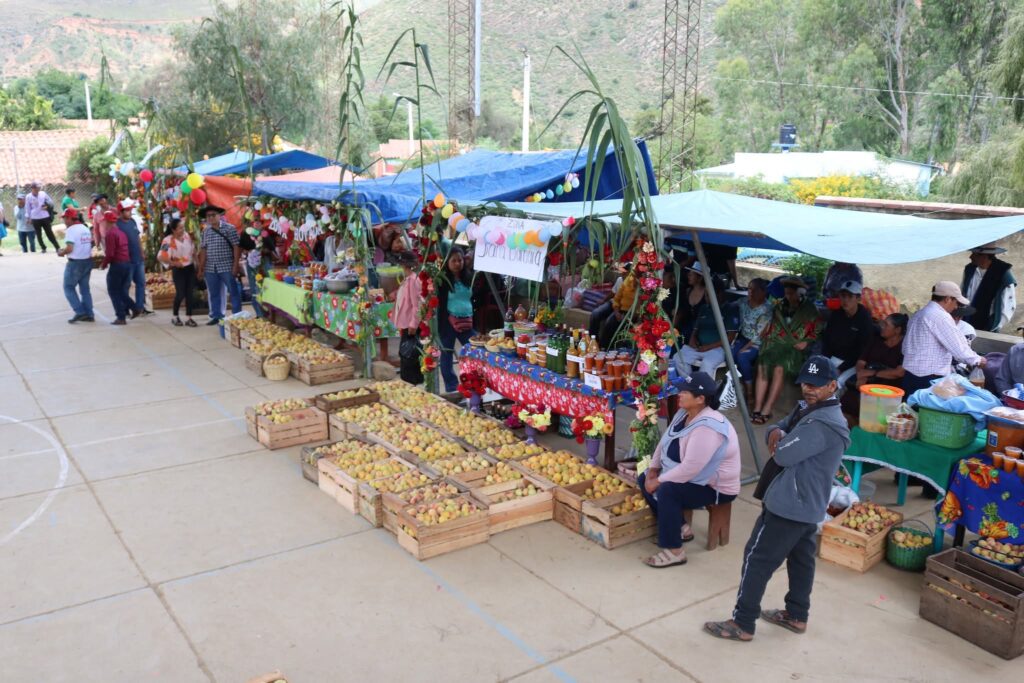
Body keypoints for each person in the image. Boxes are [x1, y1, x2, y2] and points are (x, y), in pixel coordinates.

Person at [705, 356, 850, 642]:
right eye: (806, 383)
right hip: (807, 504)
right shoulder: (808, 408)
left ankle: (743, 622)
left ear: (833, 385)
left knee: (757, 558)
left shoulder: (823, 423)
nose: (809, 389)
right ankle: (797, 615)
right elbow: (776, 427)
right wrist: (778, 433)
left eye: (817, 385)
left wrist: (780, 438)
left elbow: (783, 453)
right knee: (801, 559)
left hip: (791, 505)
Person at [638, 371, 741, 568]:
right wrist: (653, 470)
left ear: (701, 399)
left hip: (715, 488)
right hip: (696, 479)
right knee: (644, 478)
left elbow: (690, 469)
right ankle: (681, 527)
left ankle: (675, 551)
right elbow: (665, 441)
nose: (680, 394)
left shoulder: (708, 428)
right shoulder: (684, 412)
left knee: (667, 490)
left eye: (685, 392)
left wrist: (659, 480)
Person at [752, 276, 822, 424]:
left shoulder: (809, 310)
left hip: (794, 349)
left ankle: (767, 409)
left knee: (780, 366)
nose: (787, 296)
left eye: (791, 293)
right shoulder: (780, 307)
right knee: (763, 363)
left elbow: (815, 331)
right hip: (777, 345)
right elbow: (774, 329)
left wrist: (806, 342)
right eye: (786, 293)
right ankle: (757, 408)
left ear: (800, 293)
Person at [902, 281, 985, 394]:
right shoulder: (940, 316)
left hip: (910, 374)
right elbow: (959, 350)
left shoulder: (919, 314)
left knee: (910, 409)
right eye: (956, 302)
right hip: (928, 377)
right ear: (947, 299)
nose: (956, 306)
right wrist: (978, 360)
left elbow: (905, 347)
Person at [840, 313, 907, 420]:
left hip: (888, 388)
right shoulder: (876, 339)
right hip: (866, 382)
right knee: (846, 403)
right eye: (882, 323)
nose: (882, 327)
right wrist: (861, 375)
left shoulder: (905, 346)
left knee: (873, 414)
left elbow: (899, 372)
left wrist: (872, 373)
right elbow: (861, 362)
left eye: (886, 325)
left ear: (897, 330)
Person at [675, 278, 739, 377]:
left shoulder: (730, 309)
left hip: (718, 349)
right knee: (678, 358)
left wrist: (708, 347)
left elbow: (729, 339)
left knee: (707, 364)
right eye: (705, 294)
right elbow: (695, 330)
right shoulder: (704, 308)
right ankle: (690, 383)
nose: (706, 297)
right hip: (700, 347)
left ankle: (702, 389)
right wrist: (692, 340)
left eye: (709, 295)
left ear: (720, 294)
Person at [196, 205, 243, 326]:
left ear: (220, 216)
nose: (210, 218)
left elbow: (236, 247)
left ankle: (237, 316)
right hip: (210, 267)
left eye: (213, 215)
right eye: (208, 216)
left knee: (233, 291)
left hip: (227, 265)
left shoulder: (229, 228)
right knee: (214, 292)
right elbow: (203, 250)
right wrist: (201, 267)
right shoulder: (206, 231)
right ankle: (217, 315)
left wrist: (236, 265)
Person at [437, 246, 475, 392]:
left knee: (474, 351)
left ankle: (473, 383)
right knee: (446, 354)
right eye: (454, 261)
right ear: (447, 262)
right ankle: (452, 388)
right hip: (448, 323)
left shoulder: (468, 277)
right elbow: (439, 303)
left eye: (460, 260)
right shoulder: (442, 280)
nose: (458, 263)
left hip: (467, 322)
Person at [732, 278, 772, 401]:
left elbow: (759, 335)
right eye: (749, 288)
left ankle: (749, 392)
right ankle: (735, 386)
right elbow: (729, 306)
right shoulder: (744, 302)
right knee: (730, 354)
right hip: (742, 338)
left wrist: (743, 349)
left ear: (762, 292)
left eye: (754, 290)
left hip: (757, 342)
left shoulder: (766, 309)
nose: (750, 292)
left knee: (742, 356)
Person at [820, 280, 873, 372]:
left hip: (852, 362)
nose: (845, 300)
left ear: (858, 298)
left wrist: (842, 368)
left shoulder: (864, 319)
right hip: (833, 358)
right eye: (843, 296)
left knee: (837, 381)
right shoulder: (836, 314)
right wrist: (825, 359)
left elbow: (862, 350)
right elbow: (826, 339)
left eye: (850, 296)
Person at [962, 243, 1016, 332]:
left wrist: (995, 326)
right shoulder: (969, 270)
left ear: (984, 256)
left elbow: (1008, 306)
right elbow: (963, 294)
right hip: (967, 322)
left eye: (974, 254)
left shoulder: (1003, 273)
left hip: (988, 326)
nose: (970, 257)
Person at [157, 218, 197, 327]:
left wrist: (198, 265)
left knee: (190, 293)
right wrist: (173, 263)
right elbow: (161, 256)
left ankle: (189, 317)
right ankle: (175, 316)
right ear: (173, 230)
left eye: (183, 227)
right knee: (180, 293)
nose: (183, 229)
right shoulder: (168, 240)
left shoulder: (187, 236)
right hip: (178, 270)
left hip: (190, 268)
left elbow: (193, 252)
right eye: (180, 228)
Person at [57, 208, 94, 323]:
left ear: (69, 218)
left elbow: (70, 248)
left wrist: (61, 252)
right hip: (87, 261)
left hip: (75, 263)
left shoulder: (71, 230)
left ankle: (80, 312)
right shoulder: (85, 228)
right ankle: (89, 313)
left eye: (64, 218)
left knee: (68, 287)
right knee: (85, 289)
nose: (64, 221)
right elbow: (91, 243)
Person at [116, 199, 152, 318]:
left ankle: (140, 307)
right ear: (121, 212)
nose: (130, 212)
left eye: (130, 210)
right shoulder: (117, 225)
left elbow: (137, 238)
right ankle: (126, 308)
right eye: (127, 210)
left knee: (141, 283)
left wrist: (142, 252)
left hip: (137, 258)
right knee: (125, 285)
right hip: (126, 261)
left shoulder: (132, 222)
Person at [99, 209, 132, 325]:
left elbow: (110, 253)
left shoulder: (110, 234)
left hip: (117, 264)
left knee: (113, 291)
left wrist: (103, 264)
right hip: (126, 263)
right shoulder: (121, 232)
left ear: (107, 222)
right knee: (121, 291)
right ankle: (136, 307)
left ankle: (121, 316)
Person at [598, 267, 637, 350]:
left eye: (625, 273)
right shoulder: (623, 282)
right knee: (609, 322)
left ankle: (619, 350)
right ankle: (604, 348)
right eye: (622, 272)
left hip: (632, 313)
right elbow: (616, 298)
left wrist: (631, 317)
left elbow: (639, 306)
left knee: (625, 328)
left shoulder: (639, 286)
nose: (622, 274)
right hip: (620, 310)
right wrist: (616, 312)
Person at [675, 262, 708, 340]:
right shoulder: (688, 291)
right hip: (685, 330)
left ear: (700, 278)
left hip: (700, 331)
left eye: (691, 274)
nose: (688, 276)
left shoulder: (707, 294)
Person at [25, 181, 60, 253]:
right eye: (36, 188)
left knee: (49, 232)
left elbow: (50, 202)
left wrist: (47, 206)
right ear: (32, 188)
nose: (38, 189)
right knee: (38, 234)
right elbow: (28, 208)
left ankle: (57, 247)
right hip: (35, 218)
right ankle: (43, 247)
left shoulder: (43, 194)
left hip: (45, 216)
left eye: (38, 188)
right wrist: (29, 218)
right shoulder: (28, 196)